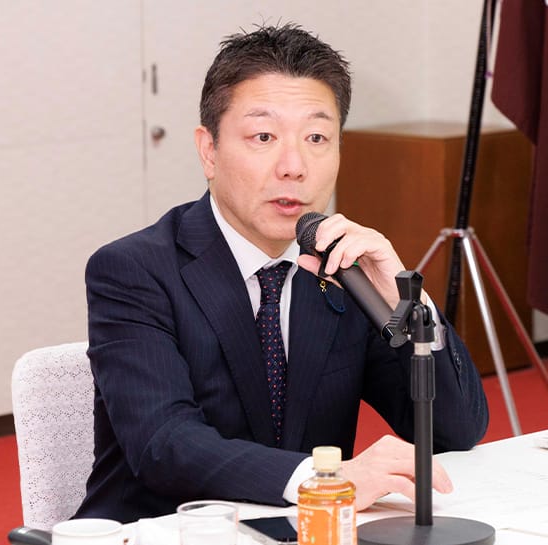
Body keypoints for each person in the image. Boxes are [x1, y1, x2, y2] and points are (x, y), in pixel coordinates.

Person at [74, 23, 489, 524]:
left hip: (304, 532)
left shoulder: (343, 271)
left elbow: (454, 432)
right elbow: (164, 444)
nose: (293, 166)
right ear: (209, 150)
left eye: (317, 137)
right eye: (263, 136)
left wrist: (408, 304)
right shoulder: (135, 270)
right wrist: (323, 479)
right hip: (165, 530)